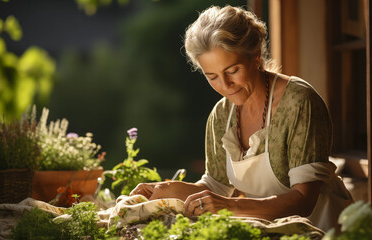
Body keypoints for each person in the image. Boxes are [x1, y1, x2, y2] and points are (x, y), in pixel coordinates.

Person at [130, 5, 353, 232]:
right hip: (272, 232)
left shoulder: (298, 101)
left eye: (233, 70)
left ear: (255, 56)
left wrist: (229, 205)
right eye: (212, 76)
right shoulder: (221, 116)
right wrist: (164, 191)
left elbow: (303, 201)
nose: (225, 86)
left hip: (324, 228)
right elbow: (216, 187)